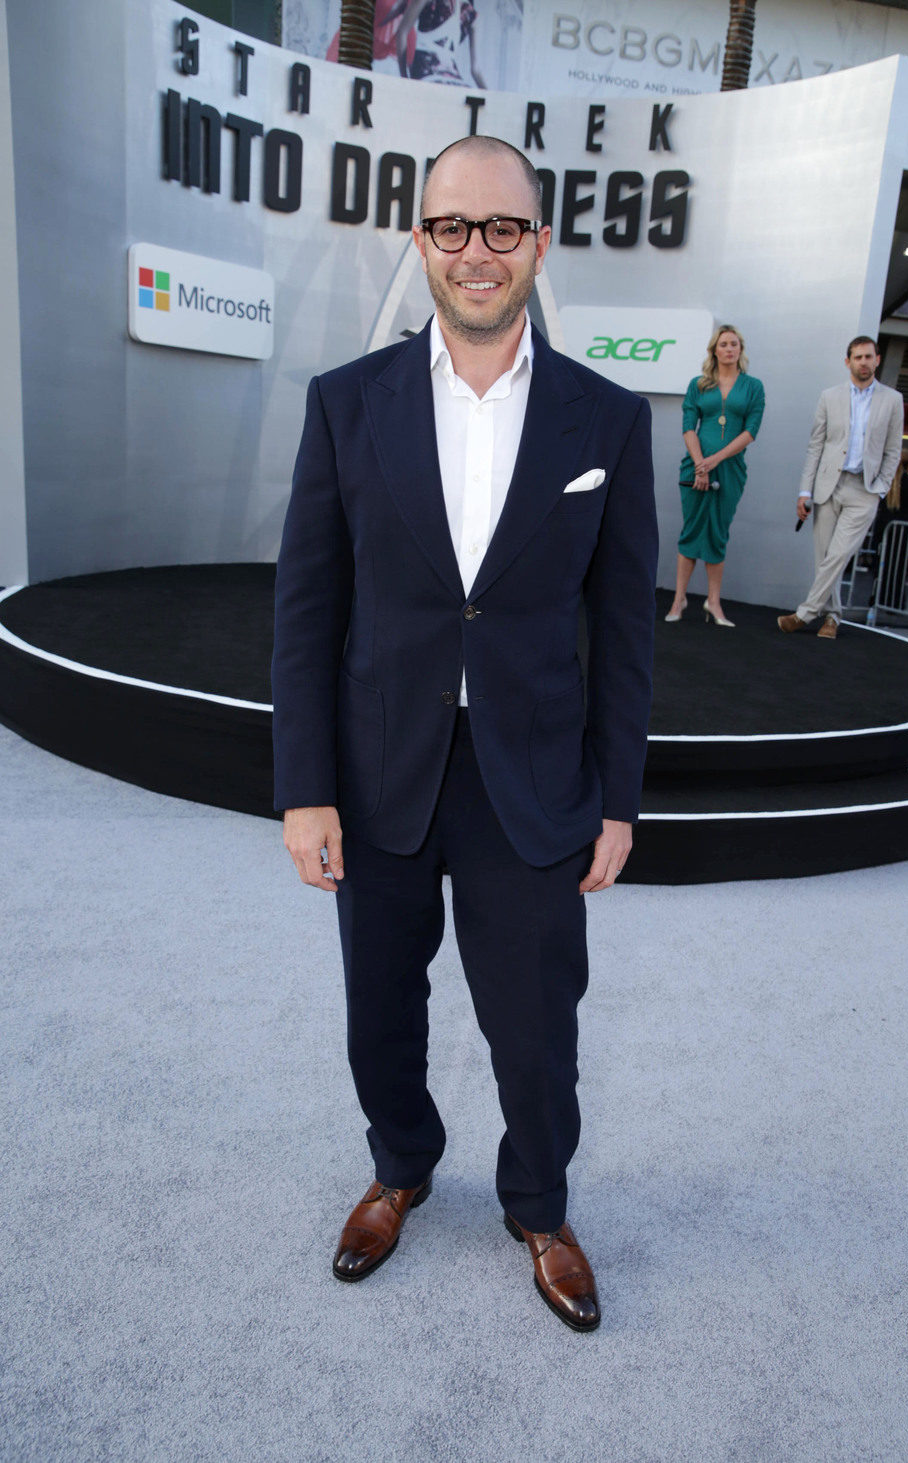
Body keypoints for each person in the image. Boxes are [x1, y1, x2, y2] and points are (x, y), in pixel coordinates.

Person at [271, 135, 657, 1332]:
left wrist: (620, 797)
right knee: (378, 1004)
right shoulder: (346, 403)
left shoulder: (608, 417)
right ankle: (401, 1167)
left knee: (536, 1023)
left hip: (533, 781)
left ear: (539, 243)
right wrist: (303, 786)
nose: (477, 253)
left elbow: (625, 629)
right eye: (452, 227)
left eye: (502, 228)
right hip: (378, 768)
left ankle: (540, 1204)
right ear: (421, 240)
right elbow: (306, 606)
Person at [777, 336, 904, 641]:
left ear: (878, 359)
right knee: (824, 557)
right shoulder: (829, 397)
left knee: (838, 554)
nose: (863, 362)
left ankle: (805, 614)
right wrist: (804, 491)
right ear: (848, 362)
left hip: (865, 489)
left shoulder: (892, 400)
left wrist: (881, 489)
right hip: (827, 486)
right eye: (857, 357)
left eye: (868, 356)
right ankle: (832, 618)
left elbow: (893, 449)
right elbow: (816, 445)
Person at [665, 324, 764, 628]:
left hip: (730, 469)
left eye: (734, 344)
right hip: (694, 468)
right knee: (692, 529)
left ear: (740, 350)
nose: (729, 349)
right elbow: (688, 426)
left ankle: (714, 602)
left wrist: (714, 460)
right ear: (714, 350)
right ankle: (679, 599)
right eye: (723, 344)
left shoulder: (753, 387)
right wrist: (699, 465)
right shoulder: (699, 385)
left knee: (718, 532)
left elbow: (750, 432)